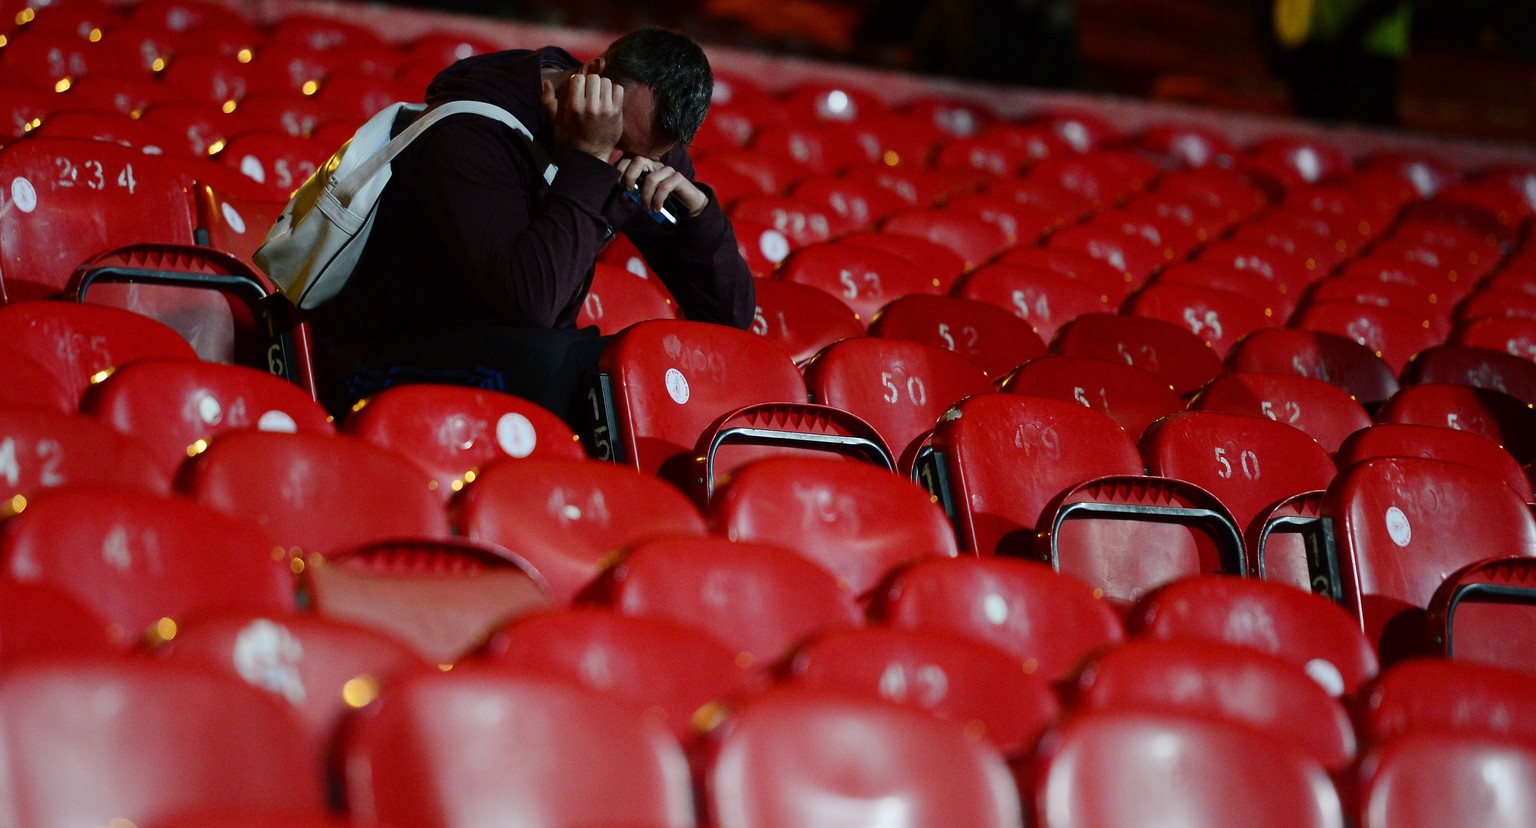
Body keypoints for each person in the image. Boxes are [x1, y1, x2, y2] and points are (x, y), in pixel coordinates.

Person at [309, 28, 756, 425]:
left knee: (645, 368)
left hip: (520, 347)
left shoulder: (639, 142)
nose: (623, 162)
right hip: (389, 353)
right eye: (617, 143)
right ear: (593, 76)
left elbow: (728, 320)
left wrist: (700, 219)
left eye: (646, 155)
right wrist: (588, 157)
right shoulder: (470, 129)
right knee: (548, 358)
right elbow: (530, 301)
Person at [1268, 0, 1413, 125]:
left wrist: (1348, 37)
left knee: (1372, 121)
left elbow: (1387, 4)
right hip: (1318, 42)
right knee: (1319, 122)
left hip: (1374, 48)